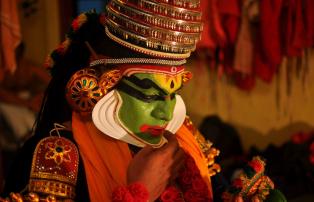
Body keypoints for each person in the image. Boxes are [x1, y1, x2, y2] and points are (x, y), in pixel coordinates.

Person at [1, 1, 220, 201]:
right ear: (103, 83)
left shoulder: (184, 138)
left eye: (173, 94)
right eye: (149, 96)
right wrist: (140, 190)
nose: (165, 113)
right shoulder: (59, 155)